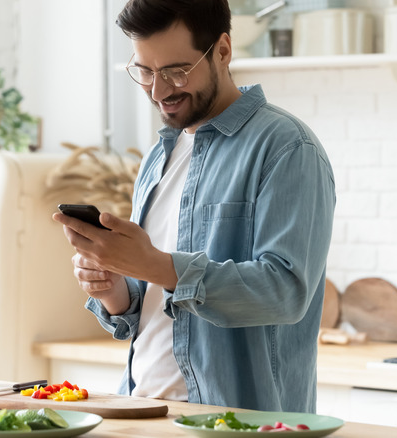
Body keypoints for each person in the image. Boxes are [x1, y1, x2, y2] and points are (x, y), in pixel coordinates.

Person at [52, 0, 335, 413]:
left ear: (222, 50)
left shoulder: (286, 147)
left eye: (175, 71)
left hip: (236, 422)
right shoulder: (159, 155)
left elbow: (286, 292)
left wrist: (155, 265)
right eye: (145, 71)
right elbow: (155, 304)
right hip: (144, 412)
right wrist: (113, 286)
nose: (158, 90)